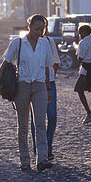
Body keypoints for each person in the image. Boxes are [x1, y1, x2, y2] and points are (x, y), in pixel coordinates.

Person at [0, 14, 53, 172]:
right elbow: (6, 63)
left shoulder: (44, 44)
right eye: (36, 29)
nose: (39, 32)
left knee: (40, 123)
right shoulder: (18, 43)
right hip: (22, 86)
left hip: (40, 86)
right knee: (23, 125)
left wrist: (48, 89)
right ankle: (25, 160)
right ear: (29, 27)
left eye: (42, 29)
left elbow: (47, 68)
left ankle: (42, 159)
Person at [30, 28, 60, 162]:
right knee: (36, 119)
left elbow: (55, 61)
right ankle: (40, 150)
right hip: (35, 82)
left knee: (52, 117)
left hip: (50, 83)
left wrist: (51, 76)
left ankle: (48, 146)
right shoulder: (24, 42)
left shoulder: (49, 41)